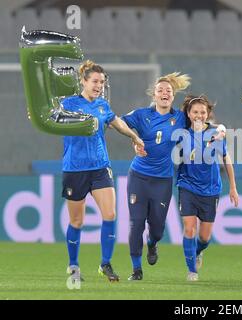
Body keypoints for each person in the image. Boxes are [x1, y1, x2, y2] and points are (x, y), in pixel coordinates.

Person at [122, 73, 226, 281]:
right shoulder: (142, 115)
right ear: (154, 94)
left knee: (158, 228)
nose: (164, 93)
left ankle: (152, 244)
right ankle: (136, 269)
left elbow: (205, 121)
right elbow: (119, 122)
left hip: (163, 180)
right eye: (160, 90)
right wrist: (134, 140)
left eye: (168, 91)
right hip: (139, 176)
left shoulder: (180, 118)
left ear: (173, 95)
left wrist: (221, 129)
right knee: (136, 223)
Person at [63, 60, 145, 289]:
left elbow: (116, 123)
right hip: (75, 168)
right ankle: (73, 265)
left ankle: (105, 263)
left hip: (100, 167)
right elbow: (49, 120)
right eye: (95, 81)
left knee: (110, 214)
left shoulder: (102, 106)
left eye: (102, 82)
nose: (99, 85)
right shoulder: (68, 104)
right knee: (77, 221)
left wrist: (134, 136)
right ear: (83, 81)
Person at [177, 94, 238, 281]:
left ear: (208, 114)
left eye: (202, 112)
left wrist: (233, 187)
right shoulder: (182, 133)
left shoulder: (215, 134)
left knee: (204, 237)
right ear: (188, 113)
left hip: (210, 189)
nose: (199, 115)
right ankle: (191, 271)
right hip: (187, 185)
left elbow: (226, 159)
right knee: (189, 229)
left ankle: (198, 251)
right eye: (195, 111)